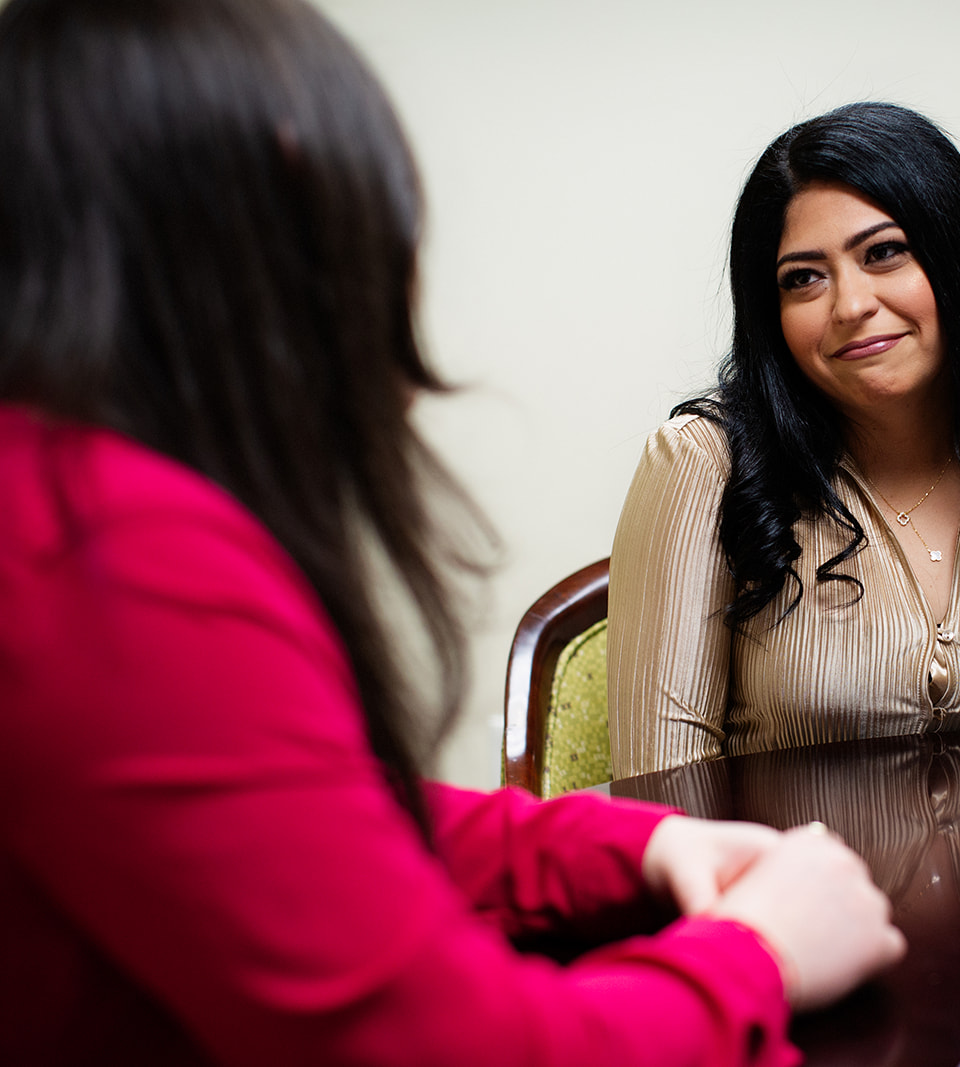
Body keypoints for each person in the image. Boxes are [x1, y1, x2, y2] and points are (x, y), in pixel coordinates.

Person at [0, 2, 903, 1064]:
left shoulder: (55, 505)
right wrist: (756, 951)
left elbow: (330, 827)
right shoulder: (107, 551)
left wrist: (644, 839)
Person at [609, 102, 960, 779]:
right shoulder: (701, 463)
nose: (849, 305)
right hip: (783, 888)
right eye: (802, 278)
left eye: (884, 253)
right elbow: (666, 802)